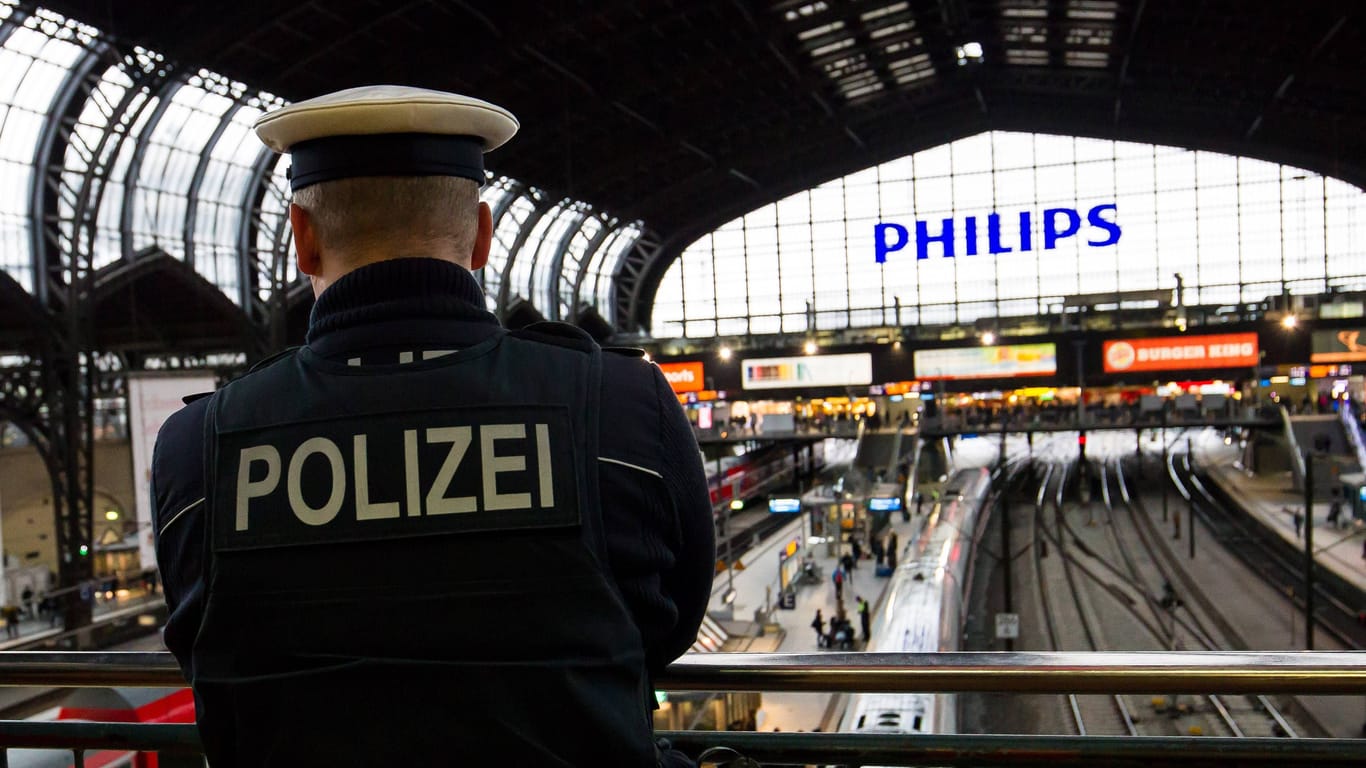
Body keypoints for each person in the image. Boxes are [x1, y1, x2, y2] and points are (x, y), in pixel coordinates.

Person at [150, 86, 714, 768]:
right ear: (481, 234)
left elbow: (199, 651)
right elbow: (670, 624)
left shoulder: (199, 450)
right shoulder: (624, 408)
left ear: (302, 238)